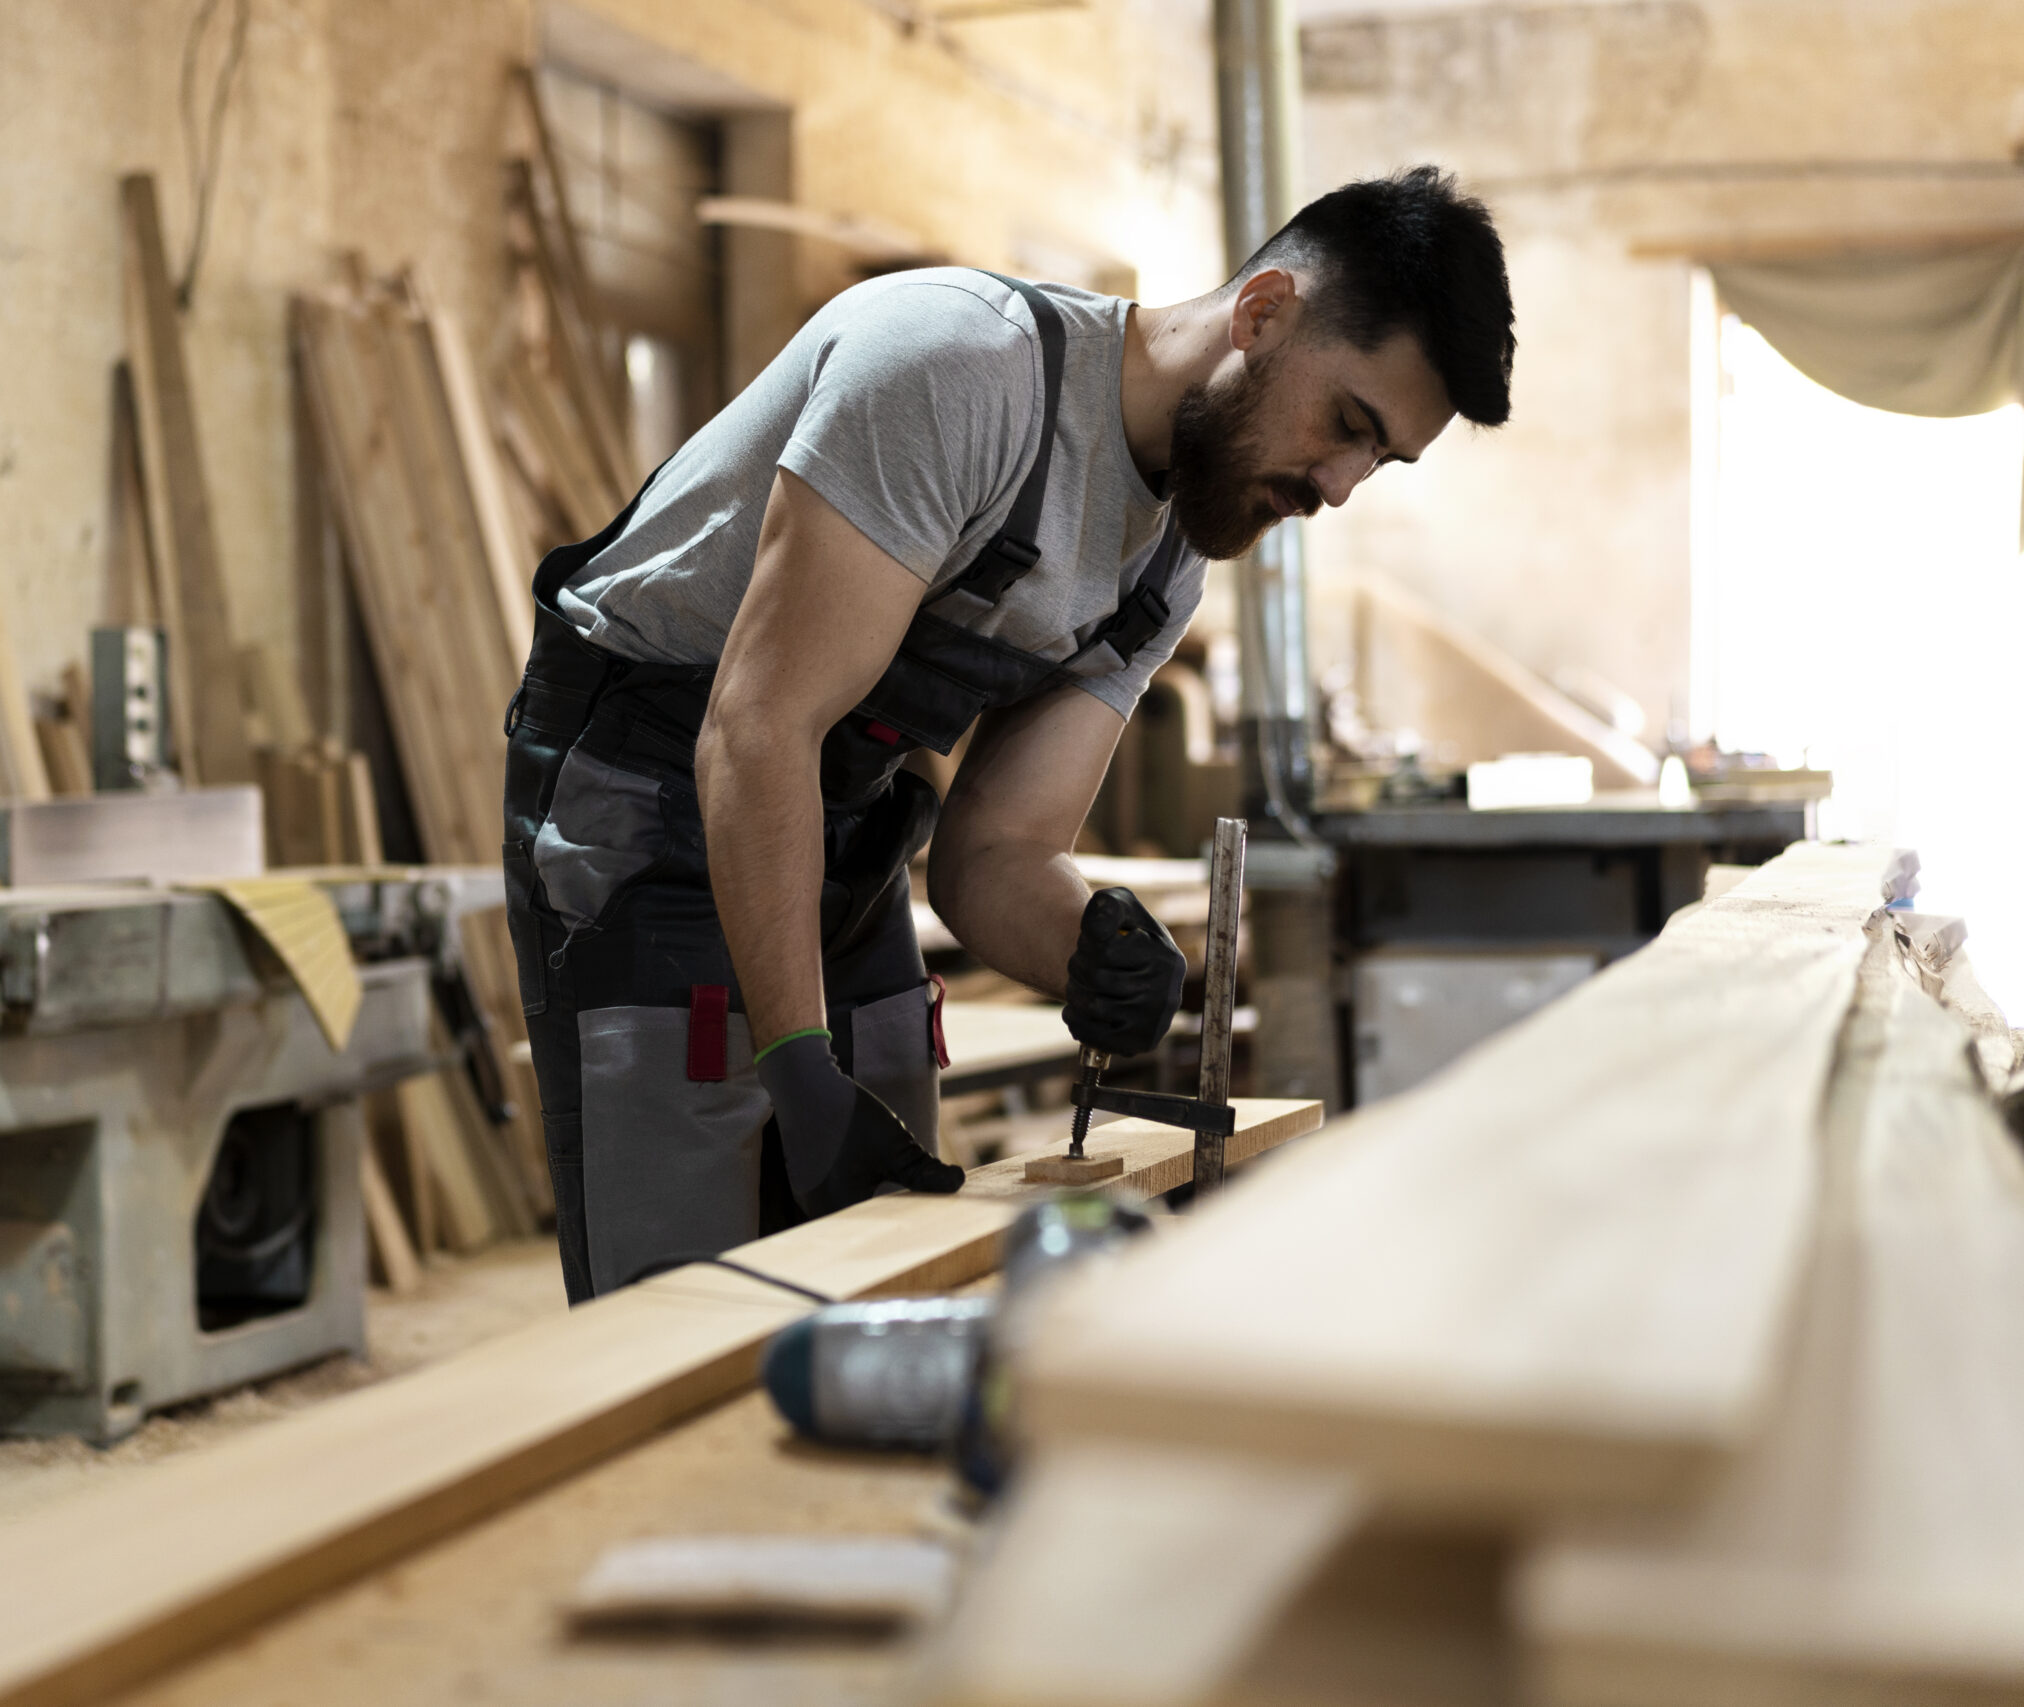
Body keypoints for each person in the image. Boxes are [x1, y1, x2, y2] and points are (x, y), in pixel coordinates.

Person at [502, 166, 1515, 1301]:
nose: (1337, 486)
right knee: (683, 1279)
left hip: (836, 815)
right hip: (643, 788)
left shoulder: (1169, 558)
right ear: (1263, 311)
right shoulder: (955, 371)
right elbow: (755, 725)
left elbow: (994, 859)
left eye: (1378, 460)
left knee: (878, 1250)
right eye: (1346, 424)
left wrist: (1093, 950)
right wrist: (793, 1063)